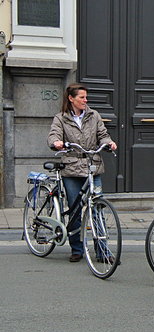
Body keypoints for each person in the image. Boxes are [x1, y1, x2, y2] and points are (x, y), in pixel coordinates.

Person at [47, 83, 117, 262]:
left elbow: (102, 134)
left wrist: (109, 143)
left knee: (97, 208)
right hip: (71, 169)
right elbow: (53, 135)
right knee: (75, 210)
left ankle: (103, 251)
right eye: (82, 97)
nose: (85, 101)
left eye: (86, 97)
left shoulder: (94, 115)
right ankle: (77, 249)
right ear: (71, 99)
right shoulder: (61, 118)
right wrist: (56, 142)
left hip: (92, 166)